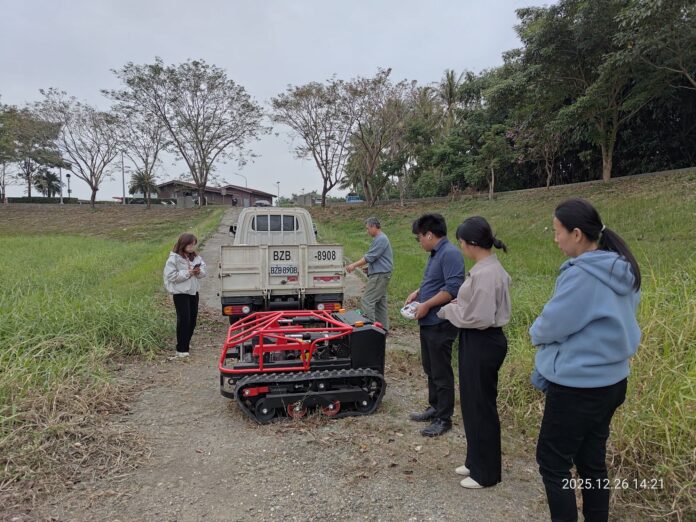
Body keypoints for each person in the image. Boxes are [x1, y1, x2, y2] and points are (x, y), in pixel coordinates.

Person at [530, 198, 641, 522]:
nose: (555, 239)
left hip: (578, 387)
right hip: (612, 381)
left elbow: (552, 325)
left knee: (553, 464)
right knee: (592, 463)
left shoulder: (583, 275)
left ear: (576, 234)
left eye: (557, 232)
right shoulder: (622, 267)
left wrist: (535, 332)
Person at [437, 217, 511, 489]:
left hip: (483, 339)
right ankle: (474, 460)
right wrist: (460, 305)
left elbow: (478, 317)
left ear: (471, 243)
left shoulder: (487, 273)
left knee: (480, 405)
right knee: (471, 402)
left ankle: (485, 473)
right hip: (478, 338)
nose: (461, 247)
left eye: (461, 242)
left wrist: (449, 310)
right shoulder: (486, 268)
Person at [405, 213, 465, 437]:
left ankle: (444, 418)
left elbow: (452, 289)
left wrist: (427, 304)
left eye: (419, 237)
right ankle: (435, 407)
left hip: (440, 322)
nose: (419, 241)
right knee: (430, 368)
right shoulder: (435, 254)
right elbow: (435, 282)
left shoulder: (450, 254)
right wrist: (418, 293)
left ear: (429, 234)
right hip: (428, 321)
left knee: (441, 372)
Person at [163, 233, 207, 358]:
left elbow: (204, 271)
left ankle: (186, 343)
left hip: (193, 292)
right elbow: (171, 276)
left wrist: (198, 271)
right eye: (190, 244)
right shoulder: (174, 259)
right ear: (183, 244)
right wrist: (188, 273)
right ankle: (181, 349)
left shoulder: (196, 258)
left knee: (192, 320)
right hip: (180, 293)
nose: (192, 247)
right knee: (184, 320)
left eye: (194, 244)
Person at [346, 217, 393, 330]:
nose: (367, 231)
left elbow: (370, 257)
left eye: (368, 228)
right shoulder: (380, 238)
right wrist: (370, 268)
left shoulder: (381, 239)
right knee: (380, 303)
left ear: (374, 227)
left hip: (380, 275)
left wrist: (353, 265)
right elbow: (379, 258)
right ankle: (383, 329)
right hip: (382, 273)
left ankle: (369, 330)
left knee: (367, 301)